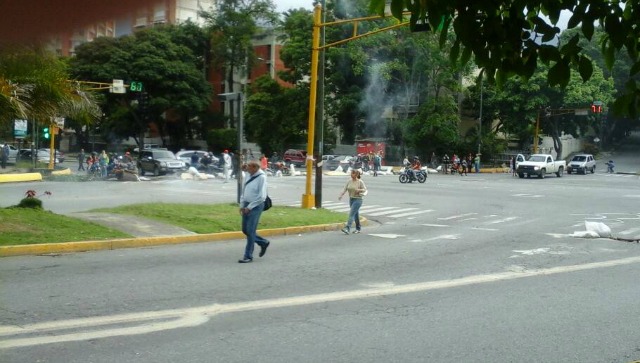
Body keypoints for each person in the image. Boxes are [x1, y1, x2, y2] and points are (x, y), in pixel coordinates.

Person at [238, 160, 270, 263]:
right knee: (245, 230)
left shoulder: (262, 177)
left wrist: (250, 207)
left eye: (249, 168)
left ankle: (248, 256)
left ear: (255, 168)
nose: (247, 169)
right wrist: (242, 205)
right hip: (247, 204)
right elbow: (244, 190)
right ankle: (263, 242)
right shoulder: (249, 175)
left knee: (250, 231)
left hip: (256, 206)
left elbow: (262, 197)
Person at [339, 169, 367, 234]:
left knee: (351, 214)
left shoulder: (360, 182)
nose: (351, 174)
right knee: (355, 214)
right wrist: (341, 195)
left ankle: (347, 228)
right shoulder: (349, 181)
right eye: (351, 173)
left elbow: (365, 189)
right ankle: (358, 228)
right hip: (351, 199)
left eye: (353, 173)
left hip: (358, 199)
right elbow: (345, 188)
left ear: (356, 174)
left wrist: (359, 190)